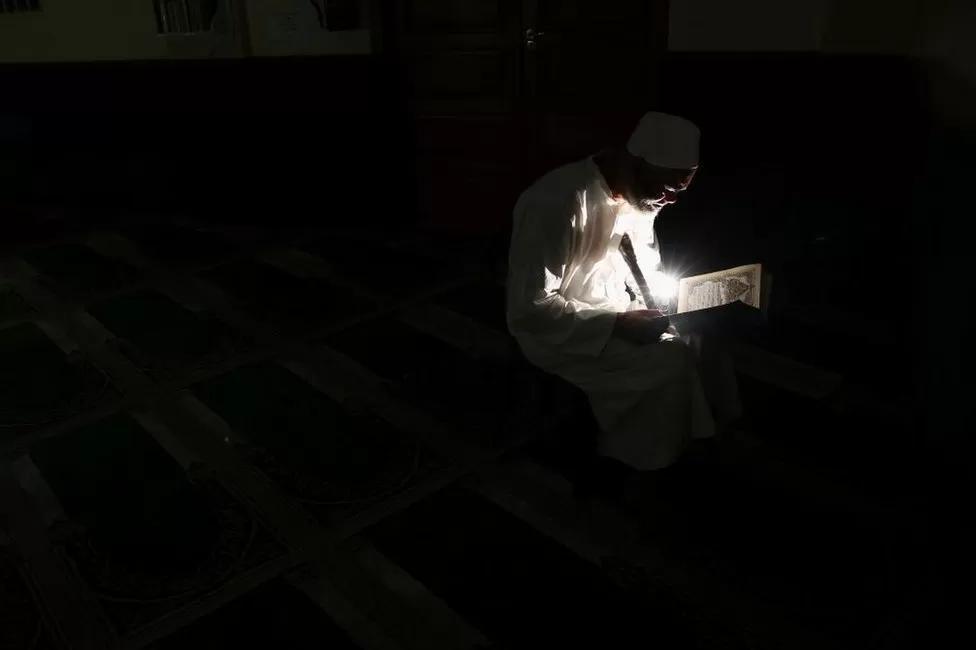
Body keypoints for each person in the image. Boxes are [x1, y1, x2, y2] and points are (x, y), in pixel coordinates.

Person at [506, 112, 742, 503]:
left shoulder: (640, 198)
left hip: (621, 312)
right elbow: (530, 308)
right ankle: (636, 461)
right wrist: (617, 323)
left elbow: (646, 266)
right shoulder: (557, 202)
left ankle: (699, 437)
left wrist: (675, 306)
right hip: (562, 330)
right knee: (671, 359)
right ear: (635, 164)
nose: (671, 200)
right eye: (667, 187)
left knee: (704, 340)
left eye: (680, 190)